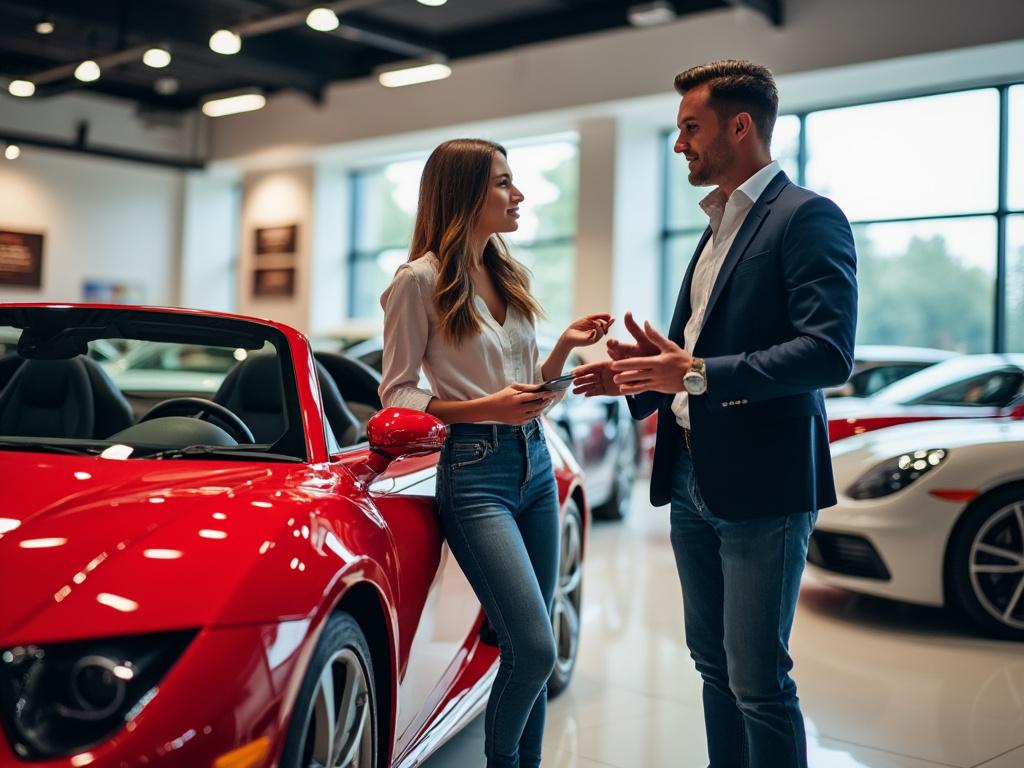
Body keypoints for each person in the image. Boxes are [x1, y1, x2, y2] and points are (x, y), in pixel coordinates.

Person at [573, 60, 857, 768]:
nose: (679, 146)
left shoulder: (806, 217)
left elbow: (826, 354)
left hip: (763, 484)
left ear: (740, 125)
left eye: (689, 129)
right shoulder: (714, 225)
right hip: (694, 480)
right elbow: (694, 353)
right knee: (712, 666)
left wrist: (693, 372)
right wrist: (639, 379)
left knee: (759, 679)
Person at [379, 138, 612, 768]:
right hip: (476, 471)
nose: (519, 194)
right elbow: (396, 394)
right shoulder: (417, 281)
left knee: (525, 654)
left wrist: (561, 350)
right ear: (464, 194)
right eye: (504, 183)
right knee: (534, 648)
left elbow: (524, 390)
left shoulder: (508, 271)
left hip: (536, 463)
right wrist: (486, 409)